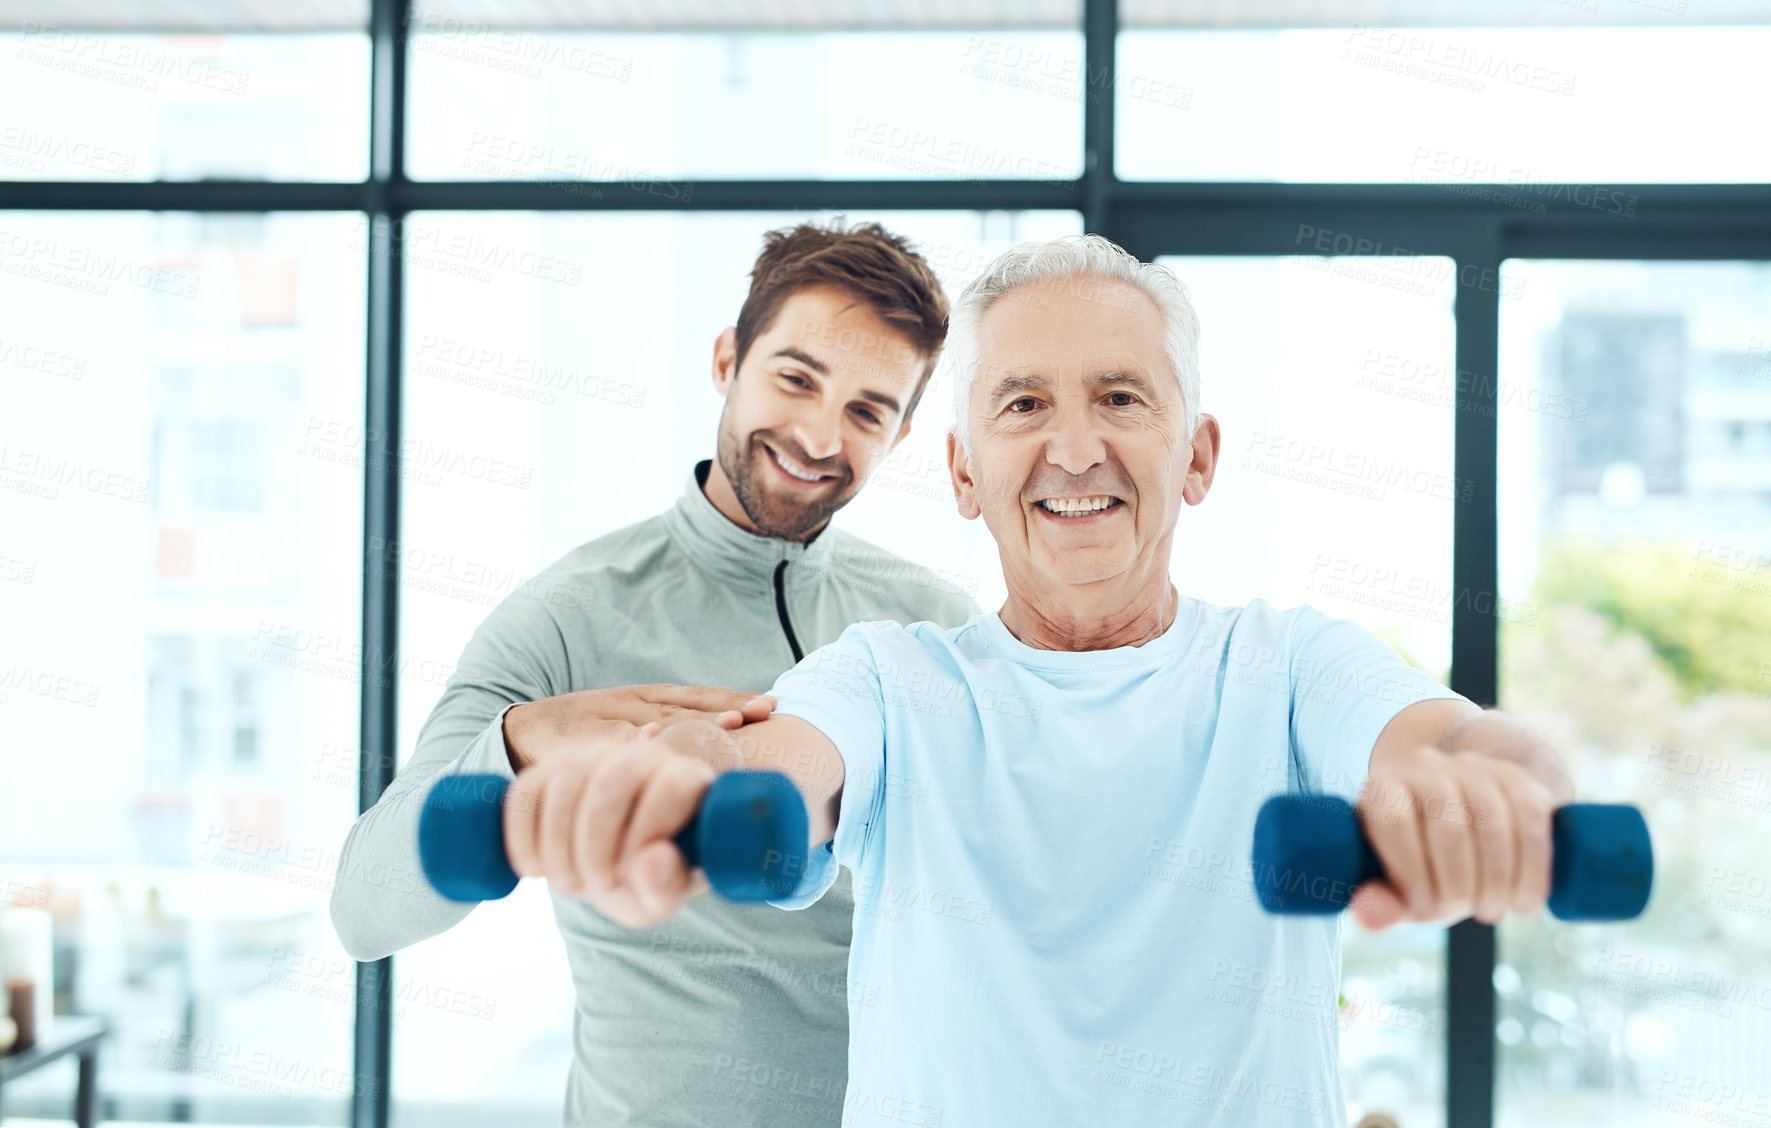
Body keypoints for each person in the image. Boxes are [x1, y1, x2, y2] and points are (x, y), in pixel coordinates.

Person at [504, 235, 1577, 1126]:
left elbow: (1446, 738)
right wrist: (688, 774)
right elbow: (773, 765)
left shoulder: (1291, 666)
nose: (1073, 448)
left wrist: (1499, 780)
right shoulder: (890, 677)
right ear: (965, 471)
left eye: (1120, 398)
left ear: (1196, 456)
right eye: (1021, 405)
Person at [330, 220, 981, 1128]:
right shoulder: (568, 614)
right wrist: (519, 744)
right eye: (796, 378)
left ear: (902, 432)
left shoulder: (936, 625)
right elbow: (365, 911)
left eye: (867, 410)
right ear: (727, 360)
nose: (818, 434)